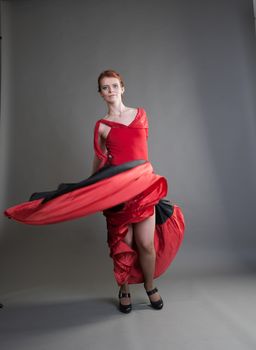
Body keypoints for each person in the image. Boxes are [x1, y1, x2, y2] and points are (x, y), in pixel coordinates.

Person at [3, 69, 185, 314]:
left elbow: (139, 156)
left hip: (143, 189)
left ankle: (150, 286)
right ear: (100, 93)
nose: (110, 91)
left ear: (123, 87)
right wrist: (90, 188)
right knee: (124, 244)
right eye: (104, 87)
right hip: (116, 193)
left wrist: (139, 177)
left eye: (113, 86)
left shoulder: (141, 115)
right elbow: (100, 160)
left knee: (146, 244)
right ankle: (124, 290)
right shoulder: (101, 127)